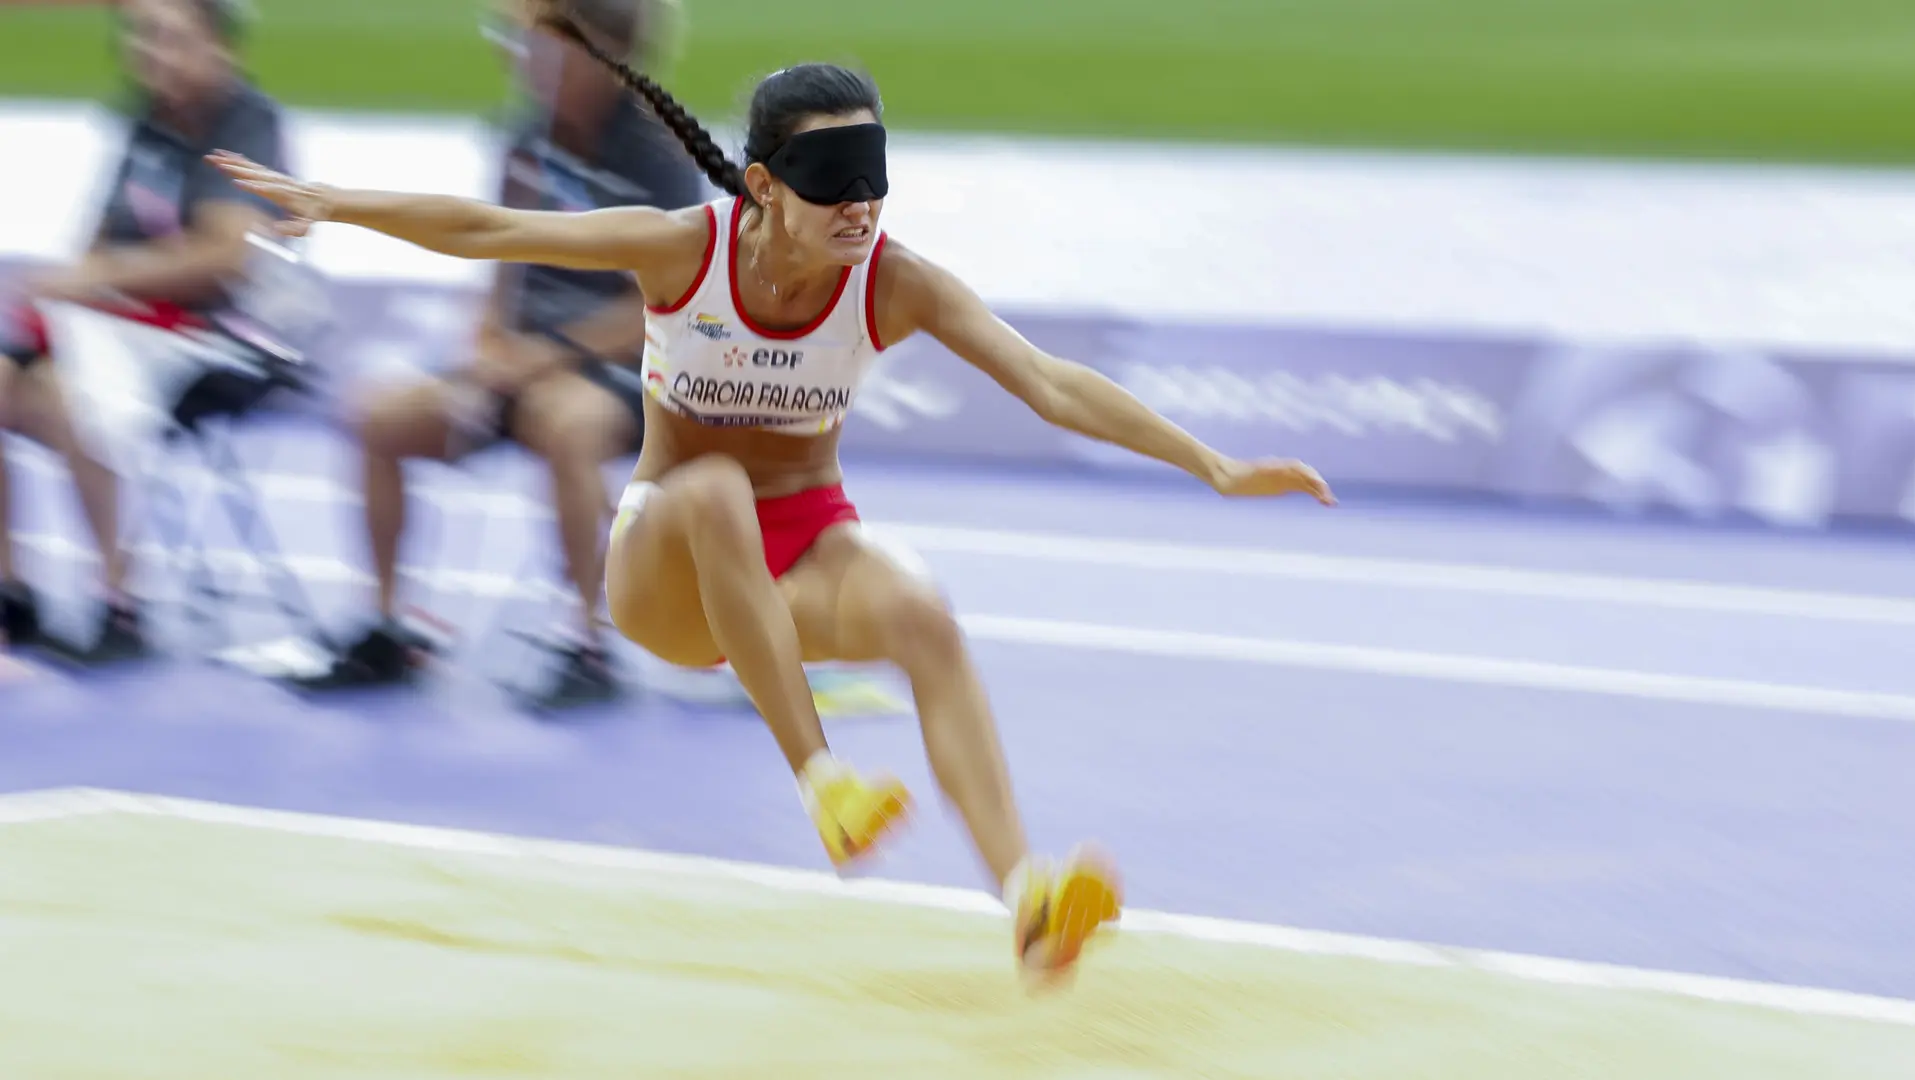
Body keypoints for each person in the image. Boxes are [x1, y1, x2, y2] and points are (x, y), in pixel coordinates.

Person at [208, 1, 1335, 976]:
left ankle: (1026, 897)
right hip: (663, 567)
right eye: (832, 183)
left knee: (921, 613)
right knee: (710, 492)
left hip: (798, 554)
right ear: (763, 185)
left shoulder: (892, 285)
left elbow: (1048, 381)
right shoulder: (678, 252)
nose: (860, 207)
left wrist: (1213, 464)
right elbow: (496, 227)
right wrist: (339, 202)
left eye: (875, 179)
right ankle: (824, 787)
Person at [299, 0, 705, 708]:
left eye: (542, 48)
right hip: (524, 360)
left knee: (566, 425)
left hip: (628, 369)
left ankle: (589, 642)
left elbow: (666, 302)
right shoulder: (525, 138)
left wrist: (545, 355)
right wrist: (483, 349)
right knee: (375, 415)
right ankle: (390, 625)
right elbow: (500, 264)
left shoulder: (664, 152)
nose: (522, 60)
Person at [1, 0, 286, 662]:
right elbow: (100, 239)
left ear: (220, 49)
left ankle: (119, 597)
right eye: (144, 38)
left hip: (219, 335)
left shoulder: (246, 123)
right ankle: (12, 590)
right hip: (120, 324)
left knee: (65, 396)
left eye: (172, 40)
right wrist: (80, 281)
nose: (153, 54)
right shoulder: (144, 121)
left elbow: (223, 259)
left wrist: (100, 279)